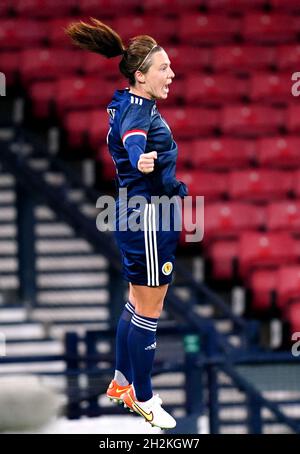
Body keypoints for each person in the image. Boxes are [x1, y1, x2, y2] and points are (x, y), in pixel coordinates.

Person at [66, 18, 188, 430]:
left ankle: (121, 382)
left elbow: (129, 127)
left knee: (135, 304)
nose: (171, 74)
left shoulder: (128, 102)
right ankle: (145, 395)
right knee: (150, 311)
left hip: (135, 212)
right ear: (140, 75)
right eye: (163, 68)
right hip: (149, 217)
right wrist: (140, 157)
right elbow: (134, 138)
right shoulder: (137, 114)